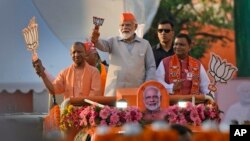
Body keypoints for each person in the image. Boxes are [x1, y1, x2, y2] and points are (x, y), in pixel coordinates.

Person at [91, 12, 156, 96]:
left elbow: (151, 67)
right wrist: (95, 39)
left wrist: (147, 86)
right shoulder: (113, 41)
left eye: (128, 25)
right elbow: (101, 45)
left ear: (135, 27)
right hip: (114, 91)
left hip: (137, 91)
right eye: (122, 25)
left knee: (134, 109)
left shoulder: (145, 44)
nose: (125, 27)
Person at [33, 42, 101, 99]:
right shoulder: (64, 72)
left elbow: (94, 96)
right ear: (70, 54)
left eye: (79, 52)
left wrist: (83, 111)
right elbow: (53, 90)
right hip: (69, 112)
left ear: (85, 53)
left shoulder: (94, 72)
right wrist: (42, 74)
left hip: (86, 112)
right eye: (74, 52)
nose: (76, 55)